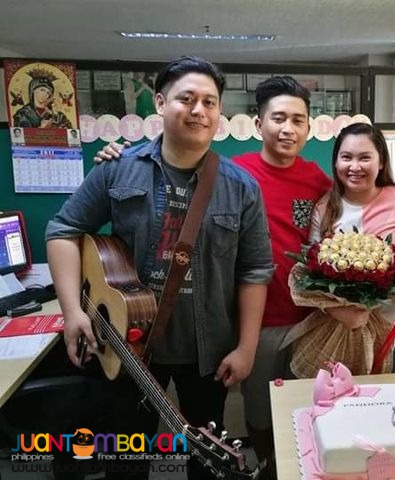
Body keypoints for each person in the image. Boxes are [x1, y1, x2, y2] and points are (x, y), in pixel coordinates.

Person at [92, 75, 331, 479]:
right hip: (237, 319)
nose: (287, 128)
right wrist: (115, 156)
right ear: (258, 124)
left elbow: (357, 197)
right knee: (250, 412)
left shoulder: (319, 182)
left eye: (298, 119)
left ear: (309, 127)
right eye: (278, 118)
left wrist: (394, 186)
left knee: (299, 410)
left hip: (305, 317)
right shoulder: (231, 175)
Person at [46, 56, 274, 479]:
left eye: (209, 101)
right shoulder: (117, 168)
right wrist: (73, 312)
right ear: (160, 102)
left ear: (219, 112)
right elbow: (62, 230)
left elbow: (255, 271)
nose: (198, 110)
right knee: (126, 463)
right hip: (127, 348)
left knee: (206, 463)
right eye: (186, 98)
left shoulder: (241, 187)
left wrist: (245, 348)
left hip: (207, 355)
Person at [309, 122, 395, 369]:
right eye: (346, 157)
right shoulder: (324, 209)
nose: (354, 166)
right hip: (344, 332)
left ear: (380, 162)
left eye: (365, 158)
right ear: (336, 162)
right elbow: (311, 275)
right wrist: (337, 311)